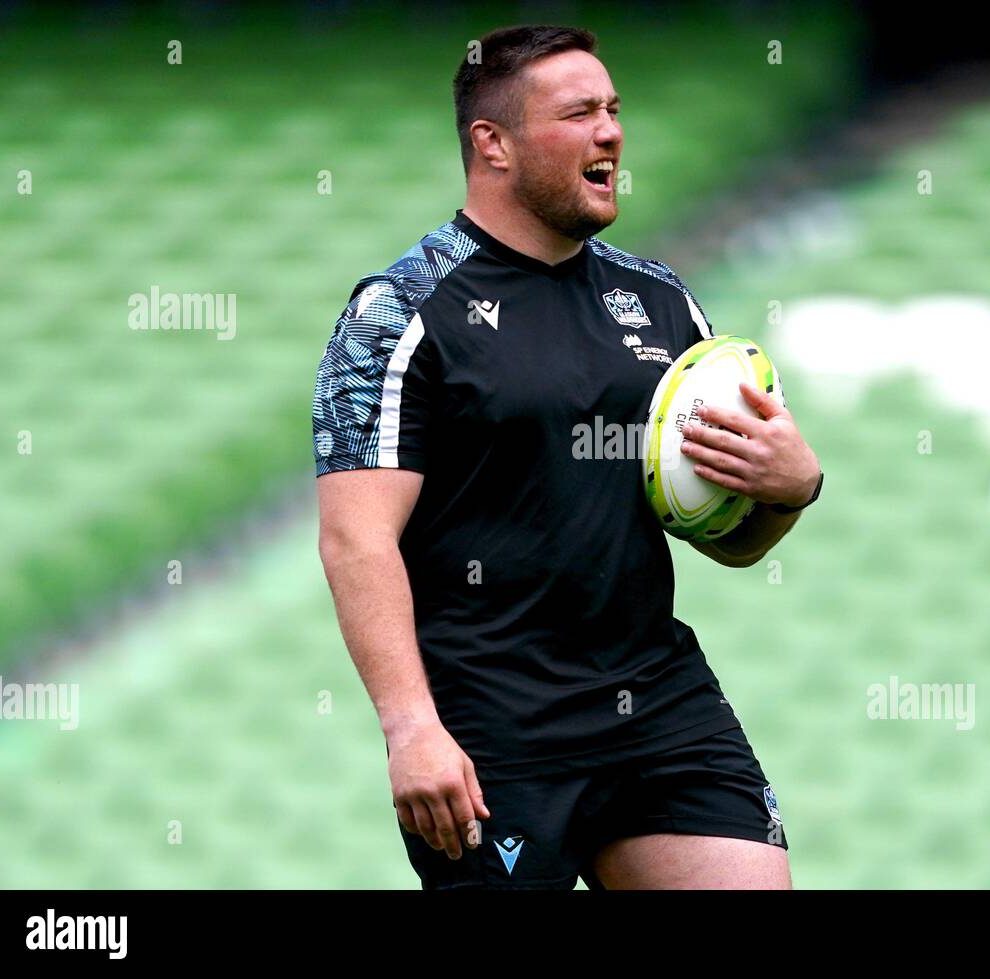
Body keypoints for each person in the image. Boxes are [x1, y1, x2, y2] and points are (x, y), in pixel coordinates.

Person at [312, 24, 823, 890]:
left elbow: (728, 539)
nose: (611, 132)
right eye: (580, 112)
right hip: (492, 731)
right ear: (493, 144)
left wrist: (790, 488)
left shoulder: (663, 306)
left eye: (615, 110)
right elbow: (356, 539)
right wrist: (411, 729)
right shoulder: (398, 313)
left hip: (658, 703)